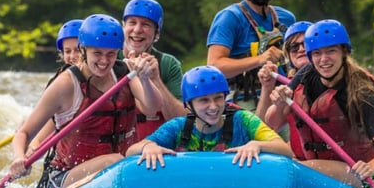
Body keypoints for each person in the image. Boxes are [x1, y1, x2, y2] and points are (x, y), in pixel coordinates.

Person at [8, 14, 160, 188]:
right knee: (114, 162)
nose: (104, 61)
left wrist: (145, 79)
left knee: (143, 153)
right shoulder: (65, 84)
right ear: (83, 49)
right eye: (97, 53)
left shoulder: (124, 72)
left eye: (110, 54)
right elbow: (24, 132)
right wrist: (19, 158)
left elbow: (153, 108)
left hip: (119, 169)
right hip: (67, 176)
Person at [260, 19, 374, 188]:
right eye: (317, 53)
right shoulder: (305, 74)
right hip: (319, 165)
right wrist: (279, 102)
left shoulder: (360, 92)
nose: (323, 60)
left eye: (331, 51)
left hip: (362, 176)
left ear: (344, 52)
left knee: (291, 169)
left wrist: (371, 167)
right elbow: (272, 122)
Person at [124, 65, 292, 169]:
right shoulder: (178, 127)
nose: (213, 106)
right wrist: (148, 147)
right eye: (204, 100)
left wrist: (257, 145)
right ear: (189, 104)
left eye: (218, 98)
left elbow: (286, 151)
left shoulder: (243, 120)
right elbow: (131, 151)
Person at [206, 0, 296, 106]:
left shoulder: (287, 18)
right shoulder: (230, 17)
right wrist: (259, 59)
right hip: (244, 103)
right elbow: (214, 66)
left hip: (284, 99)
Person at [23, 18, 83, 188]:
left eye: (77, 50)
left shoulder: (107, 78)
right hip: (66, 166)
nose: (72, 56)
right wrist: (34, 145)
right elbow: (52, 120)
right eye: (67, 51)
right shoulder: (60, 85)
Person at [120, 0, 186, 139]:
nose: (137, 30)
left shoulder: (168, 64)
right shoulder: (108, 59)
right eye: (132, 22)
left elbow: (181, 122)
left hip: (156, 144)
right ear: (123, 27)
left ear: (156, 34)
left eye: (146, 25)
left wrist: (155, 79)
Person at [255, 20, 312, 130]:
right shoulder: (289, 86)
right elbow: (263, 130)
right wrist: (267, 87)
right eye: (294, 47)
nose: (301, 49)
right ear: (289, 55)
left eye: (306, 43)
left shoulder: (337, 76)